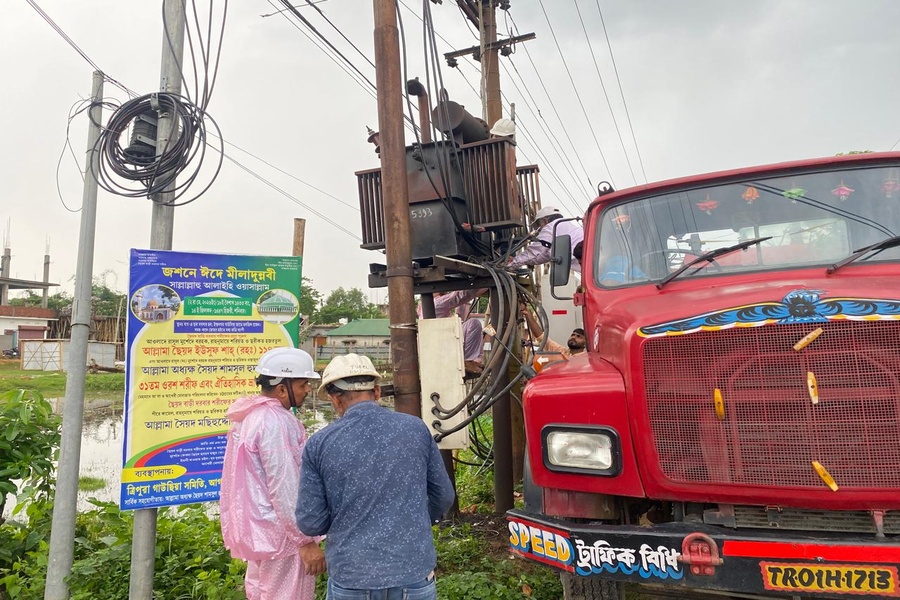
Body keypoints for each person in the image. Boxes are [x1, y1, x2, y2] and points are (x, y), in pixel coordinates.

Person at [296, 353, 456, 600]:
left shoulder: (319, 444)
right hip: (412, 570)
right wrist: (414, 521)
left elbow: (310, 522)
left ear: (335, 399)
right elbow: (444, 496)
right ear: (377, 391)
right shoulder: (416, 429)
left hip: (352, 576)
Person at [220, 347, 326, 600]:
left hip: (260, 533)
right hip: (283, 538)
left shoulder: (250, 416)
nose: (307, 390)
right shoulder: (276, 422)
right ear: (281, 389)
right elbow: (285, 485)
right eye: (302, 384)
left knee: (260, 593)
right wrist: (304, 539)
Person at [417, 288, 488, 375]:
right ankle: (468, 361)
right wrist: (482, 286)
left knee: (467, 325)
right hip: (441, 346)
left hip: (441, 346)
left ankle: (468, 361)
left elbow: (459, 319)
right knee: (474, 324)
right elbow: (460, 296)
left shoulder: (426, 307)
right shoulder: (436, 303)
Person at [508, 206, 584, 273]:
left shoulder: (552, 226)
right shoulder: (570, 229)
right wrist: (516, 260)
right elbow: (543, 256)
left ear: (545, 221)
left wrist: (510, 264)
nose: (540, 230)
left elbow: (534, 251)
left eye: (539, 225)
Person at [520, 303, 586, 360]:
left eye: (579, 337)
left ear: (586, 343)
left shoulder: (585, 359)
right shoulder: (561, 352)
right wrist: (528, 314)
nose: (574, 337)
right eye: (573, 335)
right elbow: (541, 337)